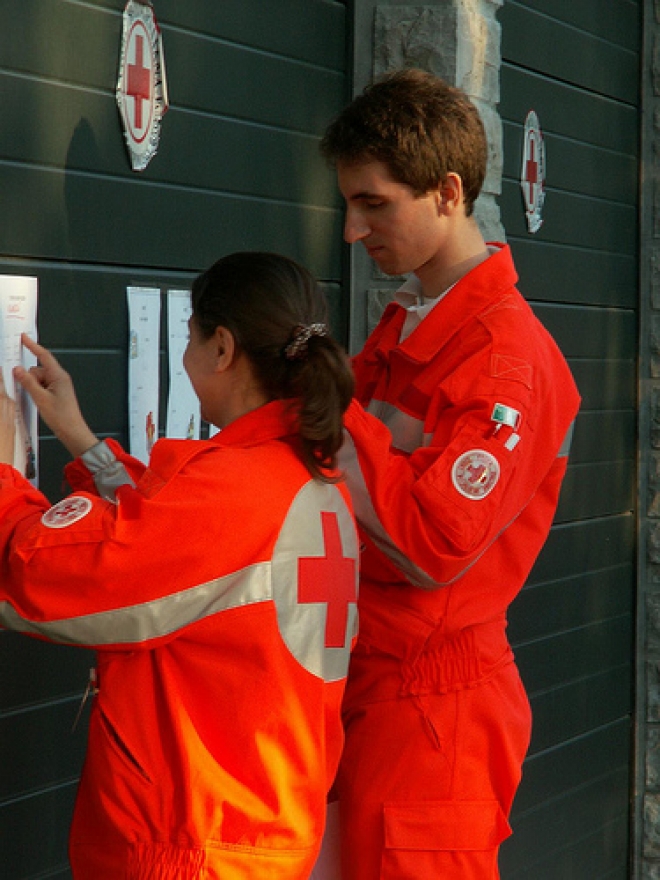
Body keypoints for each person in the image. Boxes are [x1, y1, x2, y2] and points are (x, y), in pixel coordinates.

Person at [0, 252, 359, 880]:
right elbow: (171, 547)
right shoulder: (307, 473)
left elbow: (43, 578)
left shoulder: (232, 490)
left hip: (194, 846)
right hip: (258, 836)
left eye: (189, 336)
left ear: (221, 347)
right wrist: (83, 441)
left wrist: (3, 475)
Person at [319, 68, 581, 879]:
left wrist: (326, 403)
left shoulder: (507, 362)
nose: (354, 231)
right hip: (371, 686)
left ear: (448, 192)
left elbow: (433, 541)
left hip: (436, 715)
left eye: (375, 204)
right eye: (349, 205)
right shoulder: (409, 325)